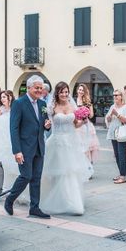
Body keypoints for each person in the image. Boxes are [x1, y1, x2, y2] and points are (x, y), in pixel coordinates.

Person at [4, 75, 52, 219]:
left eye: (41, 88)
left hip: (39, 146)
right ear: (29, 88)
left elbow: (42, 123)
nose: (39, 90)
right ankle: (10, 199)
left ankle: (34, 208)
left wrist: (47, 126)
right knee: (26, 176)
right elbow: (14, 128)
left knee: (36, 178)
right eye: (37, 88)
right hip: (24, 148)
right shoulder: (19, 103)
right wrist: (17, 151)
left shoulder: (43, 104)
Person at [41, 81, 91, 215]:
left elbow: (75, 125)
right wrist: (46, 125)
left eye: (66, 92)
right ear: (57, 93)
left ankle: (75, 203)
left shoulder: (71, 105)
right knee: (58, 173)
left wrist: (83, 121)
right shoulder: (51, 106)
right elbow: (48, 123)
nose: (64, 94)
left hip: (71, 142)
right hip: (57, 142)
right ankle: (61, 199)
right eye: (62, 92)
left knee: (71, 171)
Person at [106, 89, 126, 184]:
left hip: (122, 134)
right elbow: (108, 119)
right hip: (113, 133)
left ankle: (123, 176)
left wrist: (116, 114)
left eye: (117, 95)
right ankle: (121, 173)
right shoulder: (112, 106)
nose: (115, 97)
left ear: (121, 96)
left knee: (121, 155)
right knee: (116, 155)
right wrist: (110, 115)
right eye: (114, 95)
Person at [75, 83, 99, 166]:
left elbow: (91, 115)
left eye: (82, 90)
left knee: (88, 147)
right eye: (80, 89)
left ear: (85, 92)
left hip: (86, 125)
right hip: (76, 125)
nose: (81, 91)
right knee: (78, 148)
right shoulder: (73, 101)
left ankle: (89, 167)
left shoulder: (88, 102)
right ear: (77, 90)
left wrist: (86, 112)